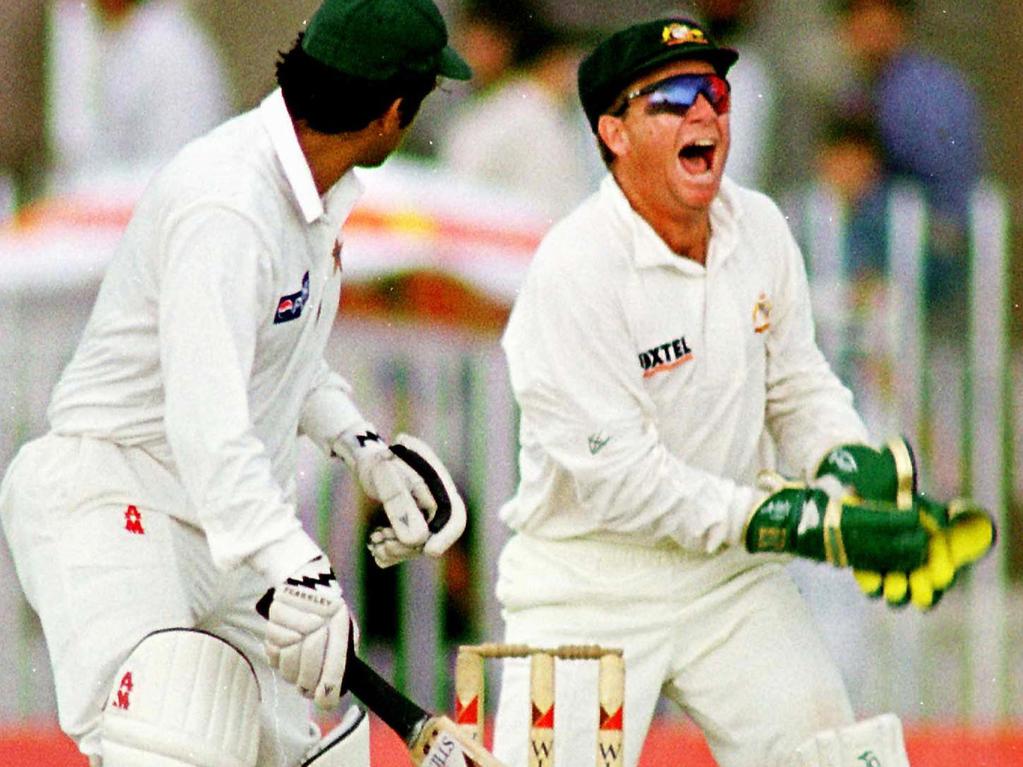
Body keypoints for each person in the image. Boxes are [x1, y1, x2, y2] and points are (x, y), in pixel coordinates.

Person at [489, 16, 994, 767]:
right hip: (589, 579)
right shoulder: (573, 270)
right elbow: (627, 484)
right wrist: (801, 522)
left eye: (714, 92)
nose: (705, 112)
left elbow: (794, 381)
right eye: (673, 96)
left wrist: (845, 462)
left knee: (832, 755)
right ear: (613, 132)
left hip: (728, 577)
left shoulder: (756, 226)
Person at [0, 1, 471, 765]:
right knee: (167, 734)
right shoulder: (230, 205)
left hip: (217, 524)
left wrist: (366, 452)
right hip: (114, 495)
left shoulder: (309, 196)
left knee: (290, 751)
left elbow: (281, 358)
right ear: (393, 111)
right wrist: (299, 563)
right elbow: (205, 426)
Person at [833, 0, 984, 326]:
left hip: (929, 243)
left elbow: (945, 189)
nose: (868, 31)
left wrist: (867, 179)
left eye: (879, 18)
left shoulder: (927, 88)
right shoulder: (859, 86)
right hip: (882, 239)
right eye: (859, 18)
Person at [46, 0, 233, 193]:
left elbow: (178, 173)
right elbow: (73, 148)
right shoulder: (98, 37)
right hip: (103, 200)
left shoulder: (172, 46)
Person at [437, 0, 601, 221]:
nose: (467, 52)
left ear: (505, 44)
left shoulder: (521, 108)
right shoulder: (510, 105)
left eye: (480, 42)